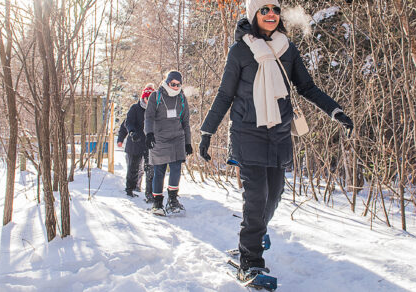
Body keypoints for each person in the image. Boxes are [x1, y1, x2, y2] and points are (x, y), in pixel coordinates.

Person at [198, 0, 354, 281]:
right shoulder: (240, 51)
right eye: (264, 9)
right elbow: (224, 95)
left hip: (280, 133)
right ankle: (250, 260)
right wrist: (207, 132)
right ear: (253, 14)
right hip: (248, 132)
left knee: (275, 195)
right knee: (256, 197)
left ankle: (256, 233)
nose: (271, 14)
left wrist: (335, 110)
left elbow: (306, 87)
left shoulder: (287, 48)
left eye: (275, 9)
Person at [145, 71, 192, 216]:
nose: (176, 87)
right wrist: (149, 134)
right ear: (167, 82)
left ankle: (172, 200)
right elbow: (149, 117)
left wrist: (188, 142)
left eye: (178, 84)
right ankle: (157, 203)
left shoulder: (182, 98)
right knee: (159, 170)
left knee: (176, 168)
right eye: (173, 84)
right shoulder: (156, 96)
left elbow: (186, 122)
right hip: (159, 138)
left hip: (178, 138)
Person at [124, 84, 155, 202]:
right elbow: (129, 122)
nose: (149, 101)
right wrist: (132, 132)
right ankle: (130, 189)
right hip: (135, 142)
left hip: (149, 143)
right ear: (144, 97)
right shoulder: (135, 108)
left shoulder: (156, 110)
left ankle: (150, 193)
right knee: (133, 167)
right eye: (148, 98)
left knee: (150, 168)